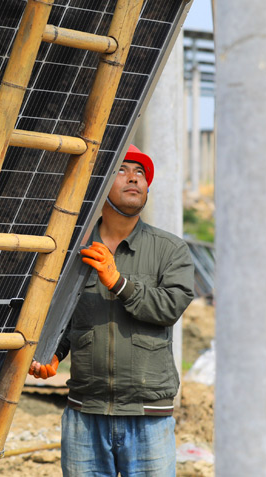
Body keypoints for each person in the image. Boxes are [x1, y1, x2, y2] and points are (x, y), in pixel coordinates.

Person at [30, 144, 194, 477]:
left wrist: (118, 282)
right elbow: (63, 315)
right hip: (84, 415)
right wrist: (52, 354)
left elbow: (169, 307)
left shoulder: (169, 249)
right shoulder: (73, 249)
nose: (135, 178)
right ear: (101, 182)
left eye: (141, 173)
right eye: (122, 170)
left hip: (147, 417)